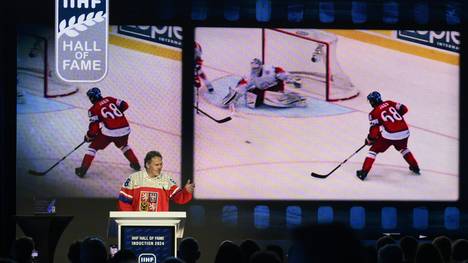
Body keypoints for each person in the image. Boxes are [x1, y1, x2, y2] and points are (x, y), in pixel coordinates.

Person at [75, 87, 141, 178]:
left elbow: (94, 128)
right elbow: (125, 105)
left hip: (110, 132)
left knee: (92, 148)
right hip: (125, 128)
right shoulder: (110, 99)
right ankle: (135, 164)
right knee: (123, 146)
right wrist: (116, 116)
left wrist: (89, 136)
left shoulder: (93, 109)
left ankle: (82, 169)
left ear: (92, 98)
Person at [356, 91, 420, 181]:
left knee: (373, 150)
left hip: (390, 135)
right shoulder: (389, 103)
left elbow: (374, 131)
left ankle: (363, 172)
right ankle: (415, 167)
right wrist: (394, 121)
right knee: (403, 148)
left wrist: (369, 140)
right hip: (405, 131)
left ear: (372, 102)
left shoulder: (373, 113)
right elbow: (404, 109)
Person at [118, 151, 194, 211]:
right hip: (138, 226)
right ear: (147, 165)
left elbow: (179, 198)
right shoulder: (133, 178)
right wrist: (131, 222)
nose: (160, 167)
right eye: (156, 165)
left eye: (161, 164)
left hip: (160, 226)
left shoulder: (166, 179)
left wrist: (186, 192)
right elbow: (124, 202)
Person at [222, 58, 305, 109]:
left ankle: (295, 98)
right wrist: (234, 96)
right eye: (253, 68)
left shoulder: (270, 69)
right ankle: (264, 98)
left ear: (261, 66)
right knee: (251, 103)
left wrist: (292, 79)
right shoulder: (250, 76)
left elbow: (281, 72)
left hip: (275, 87)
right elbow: (242, 85)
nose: (255, 70)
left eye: (257, 68)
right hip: (262, 89)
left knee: (270, 98)